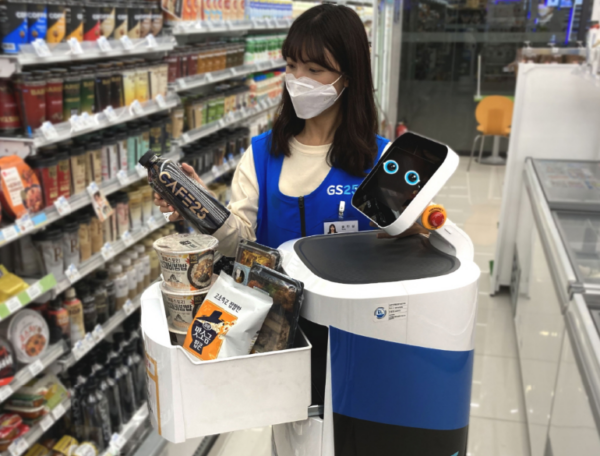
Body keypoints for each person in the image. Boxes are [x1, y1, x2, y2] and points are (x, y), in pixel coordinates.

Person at [155, 4, 423, 256]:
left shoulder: (385, 160)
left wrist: (417, 225)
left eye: (314, 70)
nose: (297, 80)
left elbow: (405, 246)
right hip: (276, 301)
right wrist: (204, 208)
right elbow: (240, 244)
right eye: (291, 66)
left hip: (350, 304)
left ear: (349, 77)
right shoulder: (262, 153)